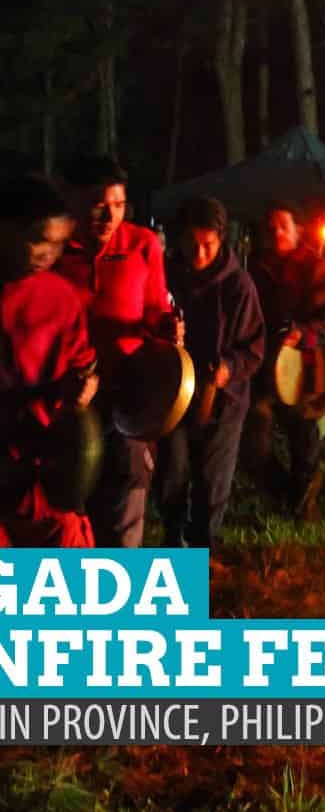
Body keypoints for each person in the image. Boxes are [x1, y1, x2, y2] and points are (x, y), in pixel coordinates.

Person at [55, 155, 179, 547]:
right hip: (70, 395)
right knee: (72, 493)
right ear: (72, 200)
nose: (110, 216)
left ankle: (123, 573)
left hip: (130, 391)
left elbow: (155, 308)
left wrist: (167, 330)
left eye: (120, 205)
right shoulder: (52, 250)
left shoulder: (142, 244)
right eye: (99, 205)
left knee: (129, 485)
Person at [156, 198, 265, 547]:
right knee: (172, 472)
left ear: (221, 241)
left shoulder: (238, 286)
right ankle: (173, 540)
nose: (199, 253)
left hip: (222, 398)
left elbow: (255, 348)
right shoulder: (166, 276)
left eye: (208, 244)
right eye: (192, 243)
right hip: (175, 392)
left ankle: (203, 546)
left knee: (212, 478)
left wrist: (229, 367)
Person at [0, 175, 98, 546]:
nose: (48, 253)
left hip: (43, 470)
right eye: (39, 239)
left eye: (58, 243)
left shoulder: (62, 298)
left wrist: (83, 389)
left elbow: (82, 365)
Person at [244, 200, 325, 521]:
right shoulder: (255, 268)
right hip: (263, 369)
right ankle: (285, 492)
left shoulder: (315, 268)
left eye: (283, 227)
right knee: (254, 444)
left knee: (304, 442)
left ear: (298, 229)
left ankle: (302, 508)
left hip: (306, 369)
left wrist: (305, 333)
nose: (277, 233)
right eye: (271, 228)